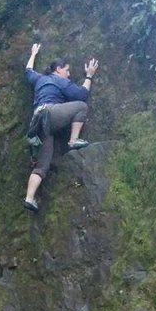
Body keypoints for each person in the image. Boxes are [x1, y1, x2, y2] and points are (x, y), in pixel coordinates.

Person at [24, 43, 99, 212]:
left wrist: (33, 53)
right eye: (67, 70)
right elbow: (82, 95)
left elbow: (28, 71)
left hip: (37, 126)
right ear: (58, 69)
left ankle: (29, 198)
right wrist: (89, 76)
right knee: (81, 106)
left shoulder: (39, 79)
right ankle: (73, 141)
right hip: (50, 114)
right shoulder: (59, 80)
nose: (69, 74)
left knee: (42, 166)